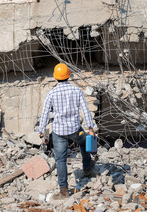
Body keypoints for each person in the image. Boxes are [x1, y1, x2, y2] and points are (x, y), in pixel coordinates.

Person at [36, 63, 96, 200]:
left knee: (60, 159)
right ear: (68, 75)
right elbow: (85, 110)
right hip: (75, 129)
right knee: (84, 142)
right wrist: (91, 128)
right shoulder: (77, 91)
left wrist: (41, 132)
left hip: (59, 131)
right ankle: (87, 167)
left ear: (55, 77)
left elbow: (45, 114)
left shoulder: (51, 94)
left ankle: (63, 191)